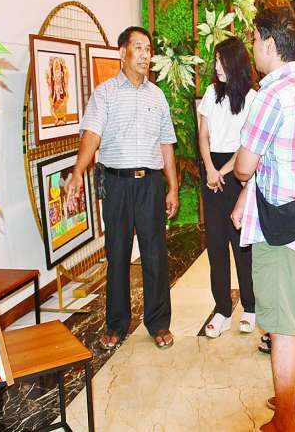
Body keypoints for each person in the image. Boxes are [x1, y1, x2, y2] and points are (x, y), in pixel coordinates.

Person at [232, 7, 295, 432]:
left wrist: (243, 169)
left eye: (255, 40)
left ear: (270, 44)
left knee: (281, 327)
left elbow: (244, 166)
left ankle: (284, 419)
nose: (253, 47)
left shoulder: (271, 94)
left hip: (281, 229)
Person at [66, 26, 178, 351]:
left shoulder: (157, 96)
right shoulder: (105, 93)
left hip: (151, 184)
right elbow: (92, 134)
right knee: (117, 254)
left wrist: (172, 187)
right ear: (122, 52)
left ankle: (159, 323)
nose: (145, 55)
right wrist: (77, 171)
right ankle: (116, 323)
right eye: (138, 48)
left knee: (155, 255)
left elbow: (166, 144)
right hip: (116, 184)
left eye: (148, 49)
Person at [197, 36, 257, 338]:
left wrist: (221, 171)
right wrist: (210, 168)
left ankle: (250, 306)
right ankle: (222, 309)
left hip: (237, 173)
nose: (217, 67)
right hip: (212, 171)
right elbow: (203, 135)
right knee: (216, 244)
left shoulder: (252, 98)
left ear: (235, 62)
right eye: (215, 61)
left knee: (241, 244)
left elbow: (248, 144)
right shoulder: (211, 93)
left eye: (222, 61)